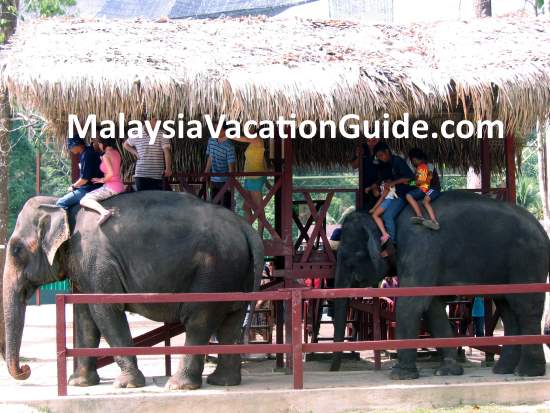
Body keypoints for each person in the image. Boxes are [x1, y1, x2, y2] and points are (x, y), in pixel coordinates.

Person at [373, 141, 415, 245]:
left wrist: (393, 183)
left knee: (387, 216)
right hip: (395, 193)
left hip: (403, 193)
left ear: (387, 151)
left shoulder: (397, 161)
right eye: (378, 157)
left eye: (381, 155)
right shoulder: (387, 164)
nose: (380, 158)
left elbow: (410, 177)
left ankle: (392, 244)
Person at [79, 137, 124, 225]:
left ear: (103, 144)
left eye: (99, 143)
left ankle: (104, 212)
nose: (98, 146)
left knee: (85, 200)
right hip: (119, 184)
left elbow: (110, 173)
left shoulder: (106, 155)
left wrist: (101, 180)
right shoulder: (116, 153)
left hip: (111, 187)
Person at [228, 134, 268, 233]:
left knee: (258, 210)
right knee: (246, 206)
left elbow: (244, 138)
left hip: (255, 178)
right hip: (249, 178)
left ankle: (259, 236)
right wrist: (265, 176)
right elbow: (263, 161)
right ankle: (250, 233)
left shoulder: (258, 140)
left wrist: (228, 135)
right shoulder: (253, 143)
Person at [123, 117, 172, 191]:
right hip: (141, 174)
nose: (158, 122)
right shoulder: (136, 133)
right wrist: (135, 153)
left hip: (157, 175)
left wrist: (168, 168)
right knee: (143, 200)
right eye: (155, 120)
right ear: (147, 121)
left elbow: (167, 151)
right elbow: (126, 145)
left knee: (158, 200)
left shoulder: (162, 133)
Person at [56, 136, 103, 210]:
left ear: (77, 145)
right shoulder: (87, 152)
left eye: (71, 147)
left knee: (61, 203)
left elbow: (84, 179)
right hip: (95, 185)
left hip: (90, 188)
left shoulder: (87, 155)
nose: (70, 149)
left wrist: (73, 186)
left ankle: (65, 222)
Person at [405, 148, 440, 230]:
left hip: (433, 188)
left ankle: (434, 221)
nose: (412, 163)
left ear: (415, 159)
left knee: (425, 201)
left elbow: (423, 181)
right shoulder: (420, 167)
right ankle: (420, 216)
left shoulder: (427, 166)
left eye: (412, 160)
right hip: (426, 188)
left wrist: (410, 183)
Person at [204, 125, 236, 209]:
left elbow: (231, 166)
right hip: (214, 180)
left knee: (226, 208)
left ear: (225, 131)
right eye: (214, 128)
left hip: (225, 181)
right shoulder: (211, 140)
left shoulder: (229, 146)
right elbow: (210, 157)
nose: (215, 130)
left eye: (218, 129)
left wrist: (230, 183)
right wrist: (206, 172)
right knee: (214, 207)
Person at [351, 137, 380, 211]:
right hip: (364, 186)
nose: (371, 143)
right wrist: (359, 156)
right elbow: (354, 166)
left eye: (374, 140)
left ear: (378, 139)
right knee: (365, 209)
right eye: (368, 140)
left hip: (380, 184)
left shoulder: (382, 147)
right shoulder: (361, 148)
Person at [369, 180, 398, 245]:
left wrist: (374, 208)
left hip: (388, 200)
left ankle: (385, 234)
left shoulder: (387, 183)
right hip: (387, 200)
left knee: (375, 215)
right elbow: (376, 194)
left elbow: (382, 197)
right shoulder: (382, 183)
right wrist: (372, 188)